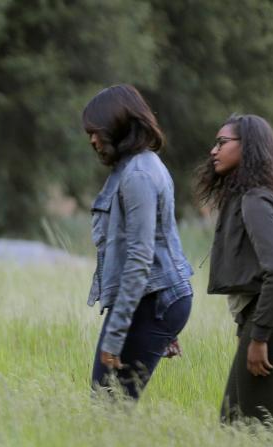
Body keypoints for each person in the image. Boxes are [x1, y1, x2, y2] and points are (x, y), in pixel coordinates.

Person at [198, 114, 273, 427]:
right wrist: (247, 329)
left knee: (249, 429)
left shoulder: (256, 198)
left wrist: (260, 336)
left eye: (222, 143)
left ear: (247, 147)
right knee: (234, 422)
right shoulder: (247, 196)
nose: (214, 150)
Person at [82, 84, 194, 400]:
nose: (92, 140)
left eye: (97, 131)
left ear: (120, 126)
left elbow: (141, 257)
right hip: (156, 298)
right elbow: (165, 240)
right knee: (109, 399)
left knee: (108, 402)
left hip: (154, 298)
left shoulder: (139, 176)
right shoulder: (135, 167)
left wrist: (116, 335)